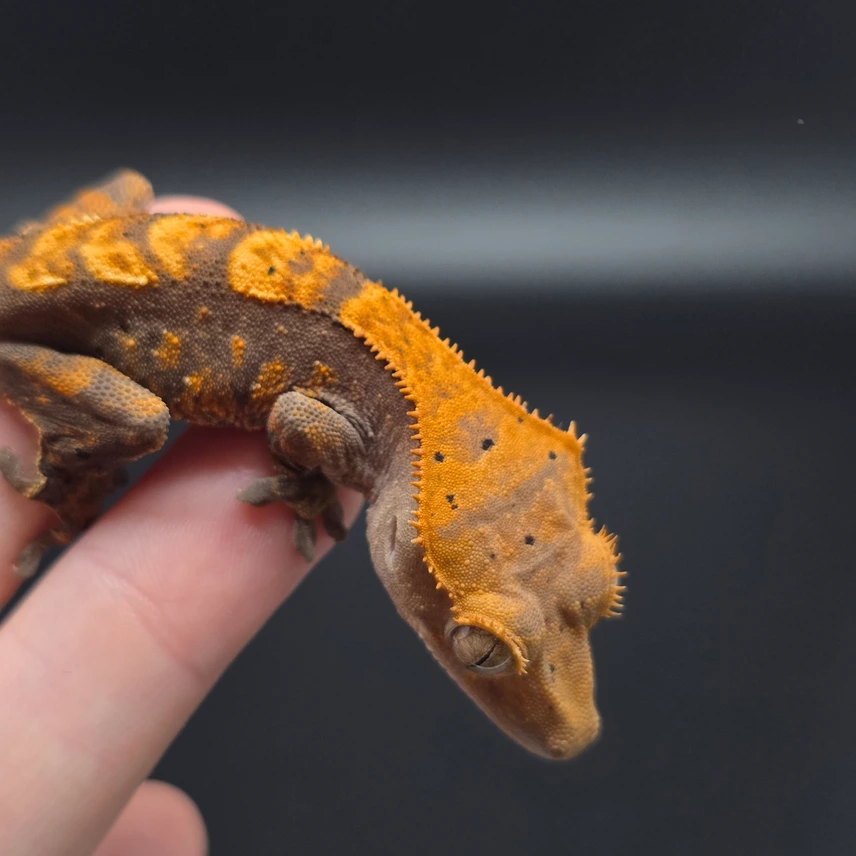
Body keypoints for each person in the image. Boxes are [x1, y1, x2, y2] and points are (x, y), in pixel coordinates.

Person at [0, 194, 363, 856]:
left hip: (53, 266)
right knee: (137, 423)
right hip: (31, 318)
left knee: (132, 185)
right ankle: (65, 470)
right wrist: (75, 479)